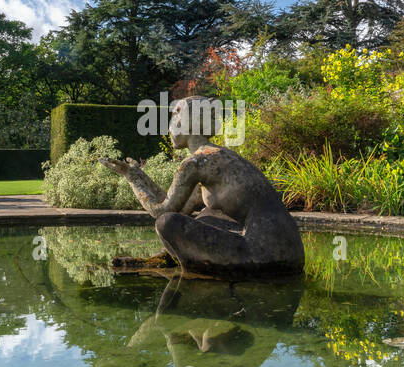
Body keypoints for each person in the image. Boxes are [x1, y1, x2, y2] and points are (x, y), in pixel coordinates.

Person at [102, 96, 305, 277]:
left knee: (166, 223)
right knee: (207, 214)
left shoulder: (196, 162)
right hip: (289, 254)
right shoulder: (220, 157)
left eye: (174, 116)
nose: (169, 127)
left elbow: (160, 211)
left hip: (262, 257)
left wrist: (132, 177)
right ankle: (165, 262)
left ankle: (191, 276)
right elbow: (176, 205)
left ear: (188, 122)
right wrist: (140, 175)